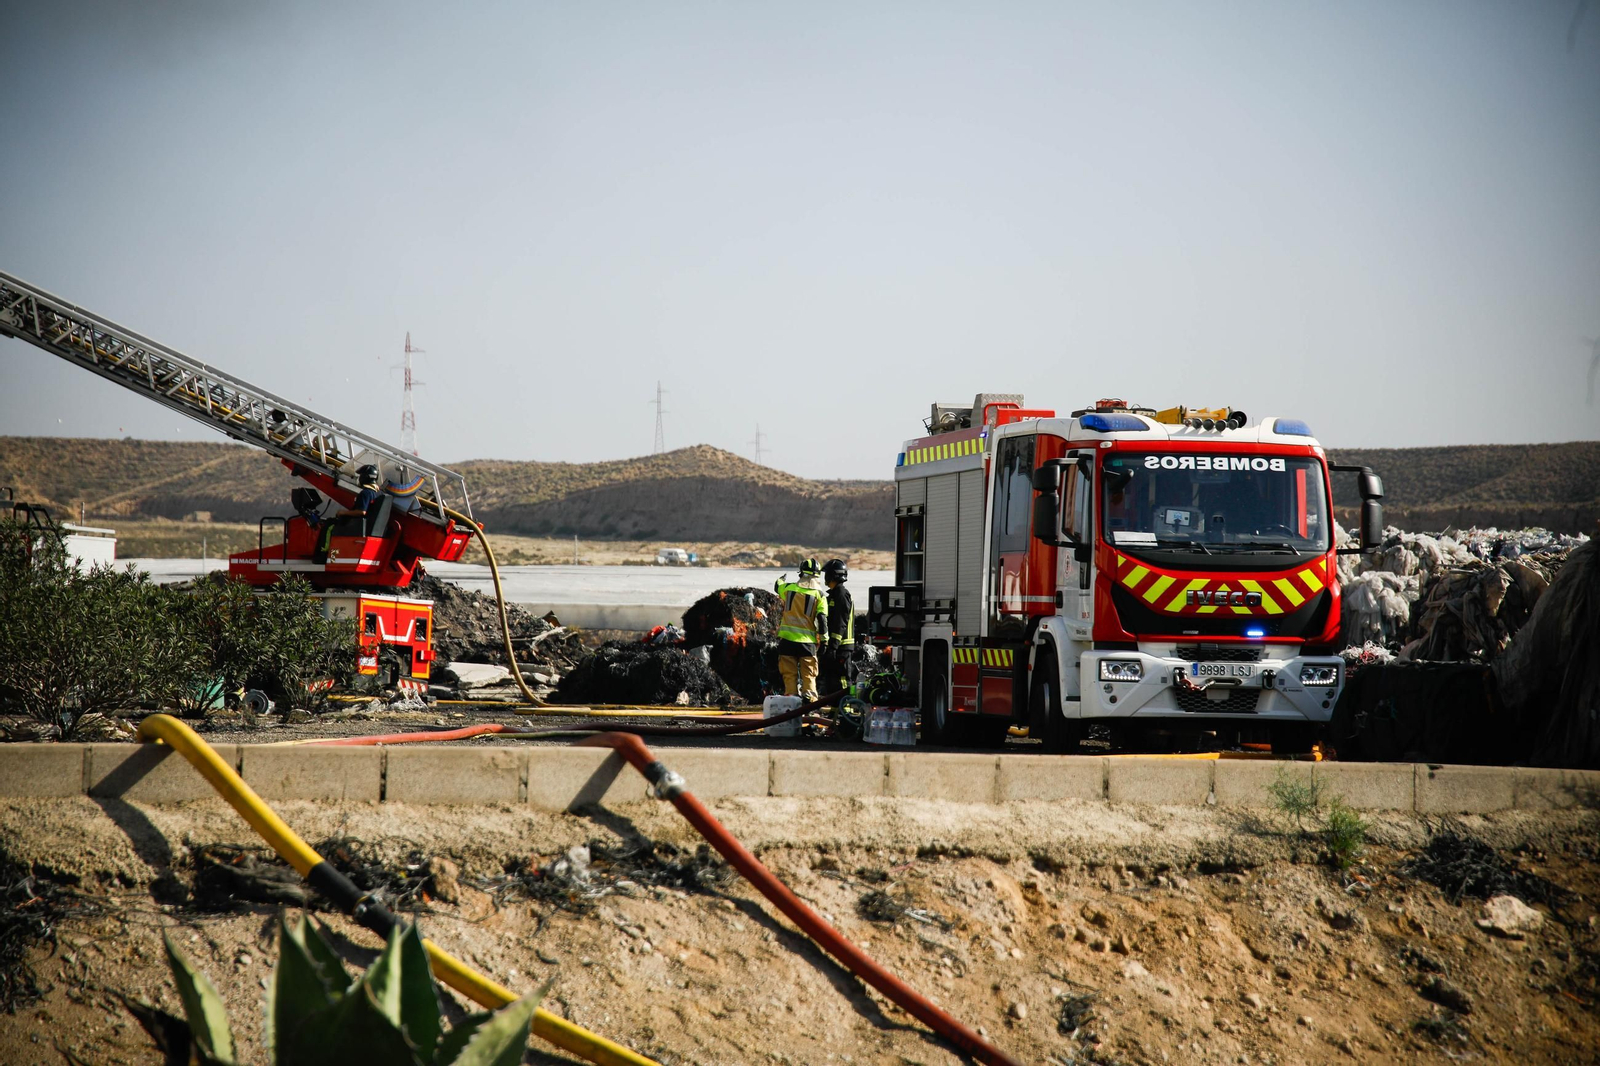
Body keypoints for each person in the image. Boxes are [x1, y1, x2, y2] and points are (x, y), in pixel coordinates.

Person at [773, 558, 829, 701]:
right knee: (809, 677)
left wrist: (781, 580)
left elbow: (777, 586)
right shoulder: (820, 595)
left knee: (789, 676)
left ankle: (792, 706)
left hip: (786, 642)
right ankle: (810, 708)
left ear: (801, 573)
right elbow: (822, 620)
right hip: (807, 644)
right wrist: (824, 641)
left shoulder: (789, 589)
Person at [820, 558, 854, 696]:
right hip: (836, 645)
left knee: (842, 680)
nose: (825, 578)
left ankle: (846, 710)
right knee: (832, 681)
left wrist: (833, 645)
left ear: (833, 575)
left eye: (827, 574)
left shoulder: (841, 593)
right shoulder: (834, 595)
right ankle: (835, 710)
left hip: (842, 646)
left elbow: (841, 621)